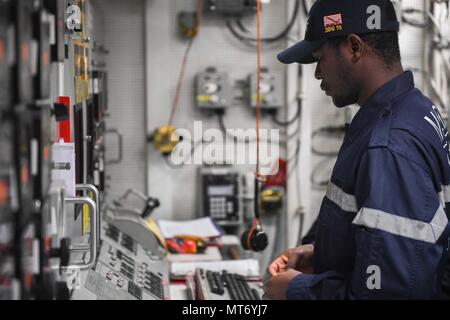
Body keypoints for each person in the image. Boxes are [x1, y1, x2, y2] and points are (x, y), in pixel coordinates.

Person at [264, 0, 450, 299]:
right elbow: (406, 247)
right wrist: (322, 255)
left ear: (353, 47)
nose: (317, 75)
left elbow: (389, 293)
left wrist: (295, 289)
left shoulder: (388, 144)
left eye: (319, 58)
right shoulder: (415, 108)